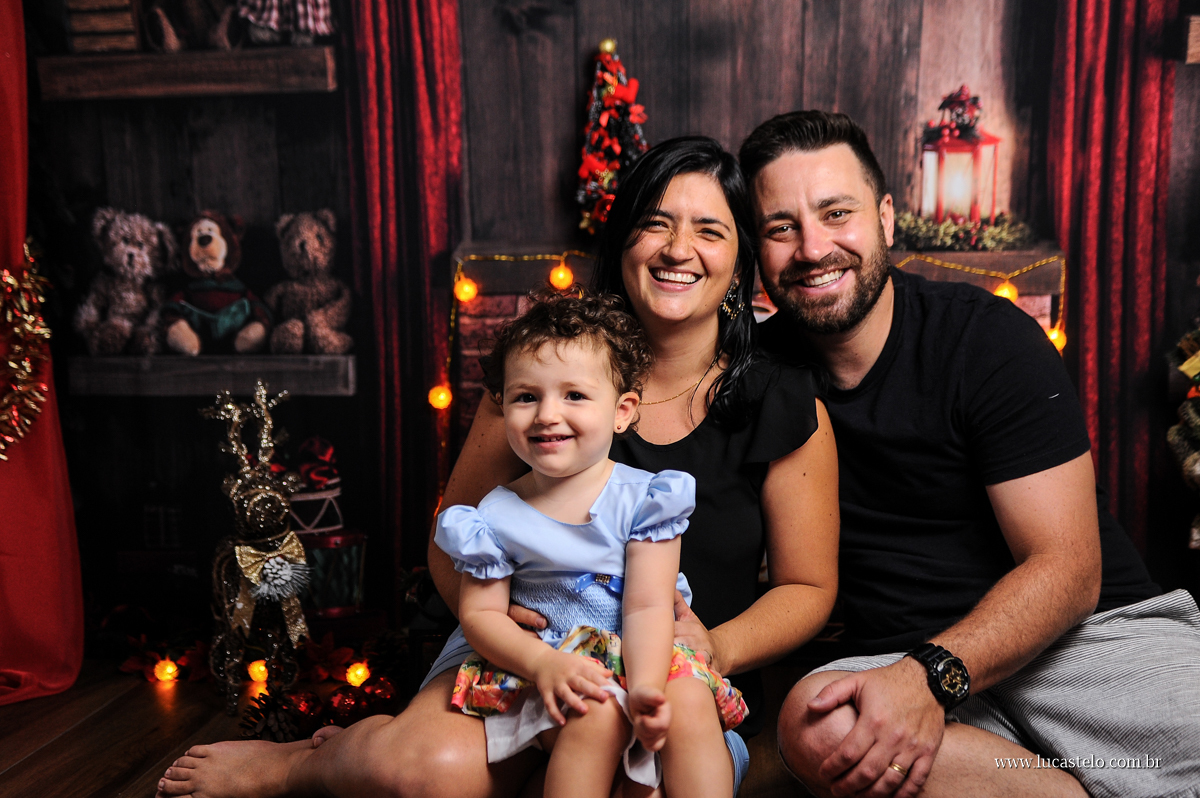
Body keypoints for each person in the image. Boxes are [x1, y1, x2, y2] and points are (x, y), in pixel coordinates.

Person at [154, 135, 840, 798]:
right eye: (655, 224)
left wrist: (714, 646)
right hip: (516, 654)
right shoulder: (541, 370)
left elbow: (808, 585)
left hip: (667, 671)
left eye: (709, 231)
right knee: (422, 775)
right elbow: (454, 533)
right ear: (622, 241)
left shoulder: (780, 399)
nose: (678, 249)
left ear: (740, 260)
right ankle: (305, 766)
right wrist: (500, 627)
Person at [741, 109, 1200, 798]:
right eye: (781, 228)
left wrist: (931, 675)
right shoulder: (753, 375)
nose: (812, 248)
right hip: (900, 664)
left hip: (1084, 645)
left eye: (837, 214)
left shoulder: (986, 340)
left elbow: (1070, 570)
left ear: (885, 219)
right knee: (817, 722)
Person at [437, 288, 747, 798]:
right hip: (550, 663)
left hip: (645, 649)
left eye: (574, 396)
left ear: (622, 411)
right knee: (596, 709)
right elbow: (482, 615)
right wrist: (544, 664)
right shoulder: (492, 517)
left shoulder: (647, 500)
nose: (547, 414)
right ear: (503, 405)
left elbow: (648, 606)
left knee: (687, 699)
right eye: (526, 396)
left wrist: (645, 688)